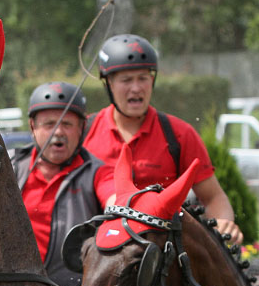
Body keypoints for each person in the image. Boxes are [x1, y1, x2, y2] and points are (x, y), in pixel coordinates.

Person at [84, 34, 243, 244]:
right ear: (108, 83)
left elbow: (213, 197)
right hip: (101, 251)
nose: (136, 87)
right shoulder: (85, 132)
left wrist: (223, 223)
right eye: (126, 80)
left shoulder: (179, 134)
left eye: (143, 78)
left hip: (165, 253)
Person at [12, 81, 116, 286]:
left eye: (67, 124)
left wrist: (121, 206)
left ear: (81, 128)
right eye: (49, 124)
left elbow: (116, 198)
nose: (58, 132)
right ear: (33, 127)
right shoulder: (8, 166)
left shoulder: (98, 172)